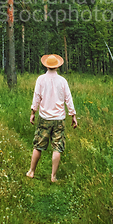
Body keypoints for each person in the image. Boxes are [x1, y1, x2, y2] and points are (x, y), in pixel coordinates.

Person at [26, 54, 77, 182]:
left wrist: (33, 112)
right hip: (59, 119)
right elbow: (68, 99)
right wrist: (73, 115)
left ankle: (31, 171)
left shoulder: (40, 80)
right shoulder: (63, 81)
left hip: (44, 118)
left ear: (46, 65)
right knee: (57, 147)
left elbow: (36, 97)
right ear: (57, 66)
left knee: (38, 145)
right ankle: (53, 176)